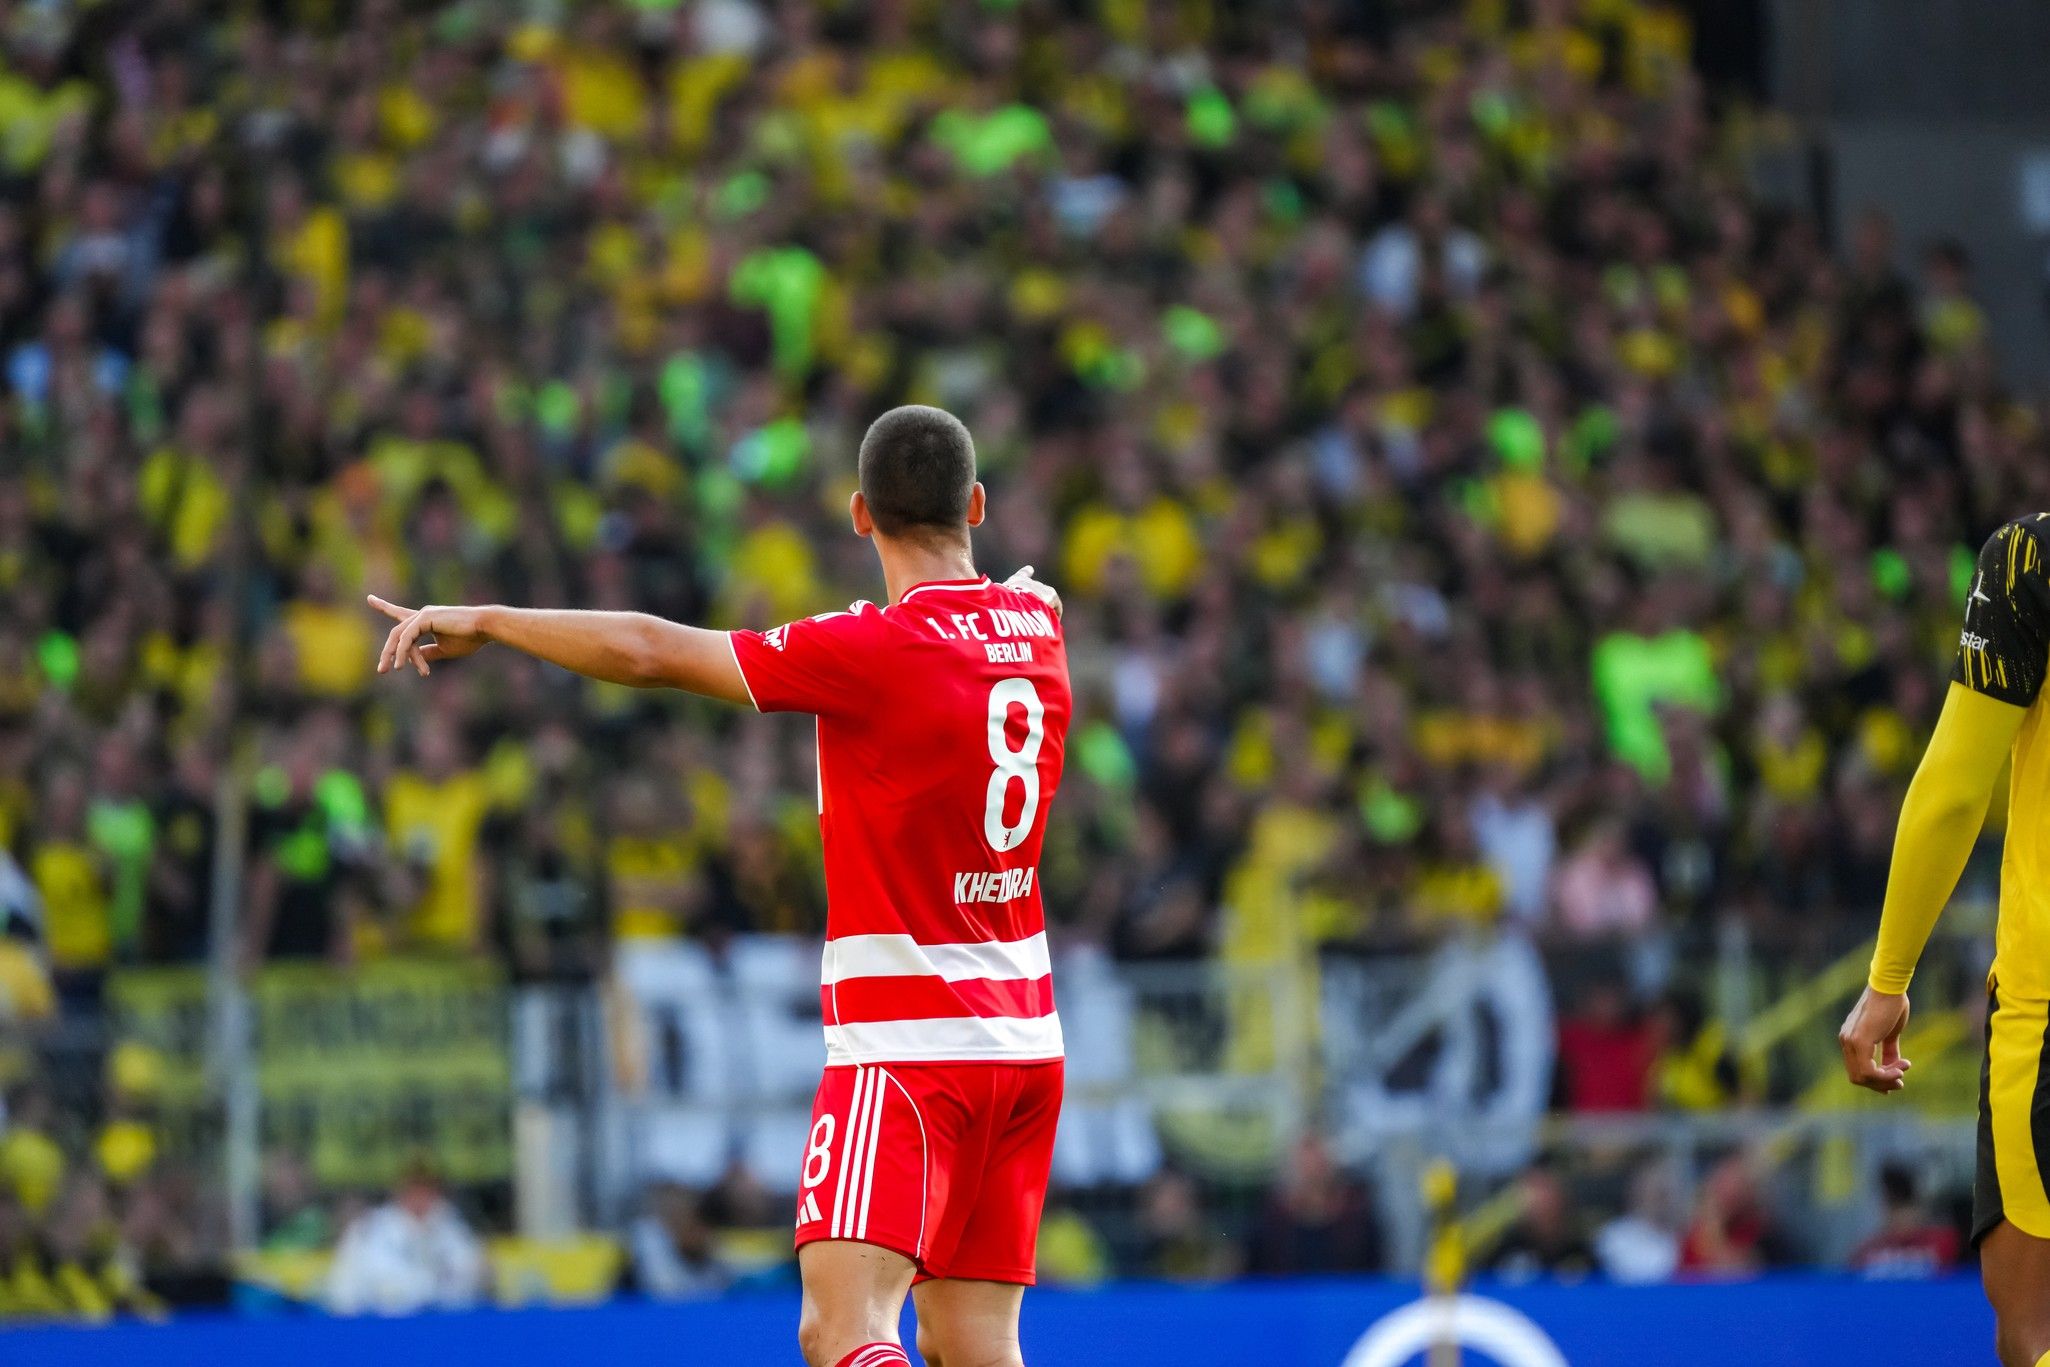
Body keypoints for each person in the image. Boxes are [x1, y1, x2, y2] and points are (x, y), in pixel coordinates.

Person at [369, 405, 1069, 1367]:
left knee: (841, 1331)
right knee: (976, 1339)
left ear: (860, 516)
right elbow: (1021, 600)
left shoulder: (871, 648)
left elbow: (654, 650)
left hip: (908, 1045)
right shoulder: (1038, 621)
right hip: (1026, 1043)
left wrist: (490, 619)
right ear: (978, 504)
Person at [1839, 514, 2050, 1367]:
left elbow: (1955, 791)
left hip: (2046, 1005)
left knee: (2031, 1328)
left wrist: (1889, 976)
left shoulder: (2032, 561)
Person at [325, 1161, 486, 1316]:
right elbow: (344, 1292)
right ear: (400, 1190)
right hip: (381, 1330)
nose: (420, 1195)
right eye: (414, 1187)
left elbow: (470, 1282)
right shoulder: (367, 1230)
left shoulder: (454, 1230)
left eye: (427, 1187)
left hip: (442, 1327)